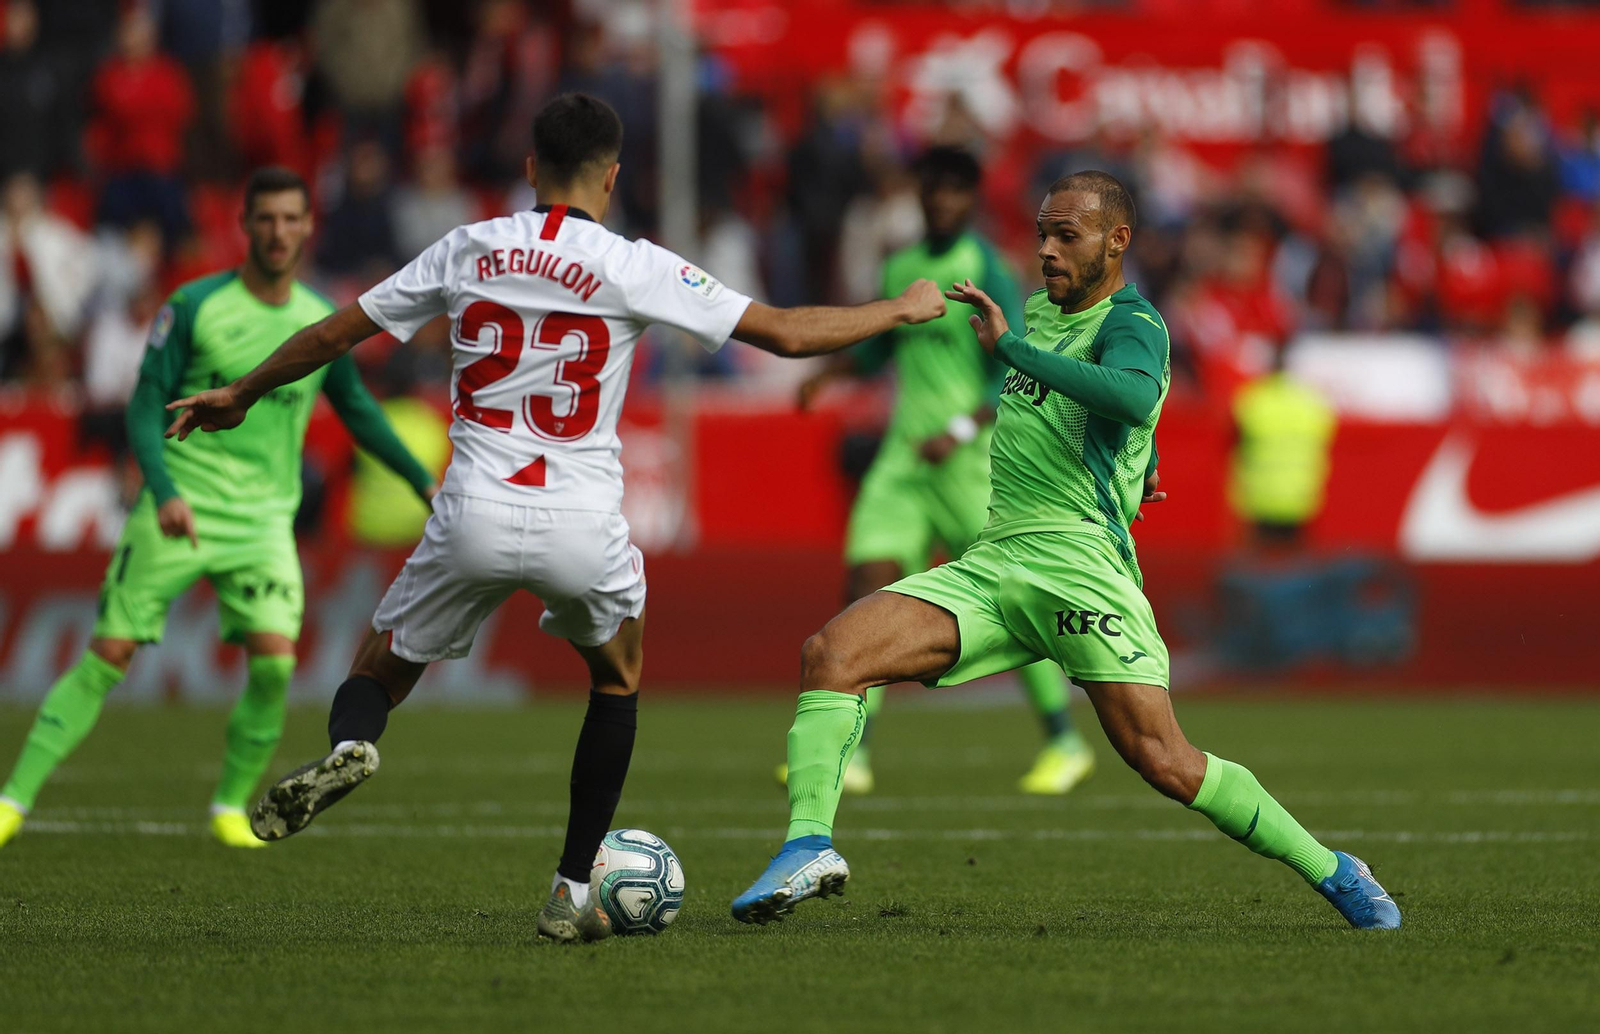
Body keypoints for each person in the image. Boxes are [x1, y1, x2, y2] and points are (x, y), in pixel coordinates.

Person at [162, 94, 947, 944]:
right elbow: (788, 334)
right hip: (579, 519)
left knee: (378, 671)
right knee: (616, 677)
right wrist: (898, 309)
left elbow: (334, 333)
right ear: (612, 178)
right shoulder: (630, 262)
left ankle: (356, 743)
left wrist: (240, 392)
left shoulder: (469, 246)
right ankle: (572, 889)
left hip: (471, 510)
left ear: (530, 168)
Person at [731, 171, 1401, 932]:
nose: (1046, 250)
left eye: (1066, 236)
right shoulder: (1041, 313)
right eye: (1042, 233)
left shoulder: (1134, 320)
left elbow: (1133, 394)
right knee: (832, 653)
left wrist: (1020, 354)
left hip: (1081, 568)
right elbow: (1088, 414)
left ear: (1117, 242)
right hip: (994, 564)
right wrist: (1137, 462)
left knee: (1165, 761)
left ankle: (1334, 869)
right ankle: (808, 844)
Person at [0, 167, 436, 850]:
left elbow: (356, 410)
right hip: (183, 506)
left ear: (308, 226)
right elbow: (146, 405)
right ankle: (12, 801)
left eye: (292, 218)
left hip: (264, 523)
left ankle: (231, 808)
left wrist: (419, 480)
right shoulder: (196, 306)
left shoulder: (317, 323)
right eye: (266, 218)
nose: (279, 231)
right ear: (245, 224)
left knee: (273, 662)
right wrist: (164, 492)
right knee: (109, 652)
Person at [786, 146, 1093, 796]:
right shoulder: (901, 265)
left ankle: (1064, 740)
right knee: (866, 590)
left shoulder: (983, 265)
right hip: (903, 459)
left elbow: (1014, 361)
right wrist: (829, 373)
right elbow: (878, 359)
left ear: (971, 198)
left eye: (956, 190)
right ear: (920, 194)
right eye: (934, 188)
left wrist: (957, 428)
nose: (943, 200)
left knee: (1014, 603)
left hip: (968, 461)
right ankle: (854, 751)